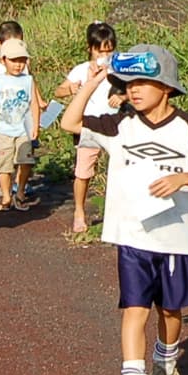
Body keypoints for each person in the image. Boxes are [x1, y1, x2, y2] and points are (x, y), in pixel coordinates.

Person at [62, 44, 188, 375]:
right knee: (134, 309)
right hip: (132, 237)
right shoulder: (120, 124)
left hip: (173, 238)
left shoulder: (187, 127)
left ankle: (165, 361)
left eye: (142, 83)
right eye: (128, 83)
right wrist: (93, 83)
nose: (133, 90)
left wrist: (183, 178)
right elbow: (70, 123)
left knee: (170, 310)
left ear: (165, 87)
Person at [54, 21, 120, 236]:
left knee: (119, 167)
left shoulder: (119, 68)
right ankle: (79, 212)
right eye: (100, 51)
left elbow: (133, 90)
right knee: (83, 171)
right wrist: (71, 88)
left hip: (115, 124)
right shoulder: (81, 70)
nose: (105, 56)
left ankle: (117, 211)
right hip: (87, 124)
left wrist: (123, 97)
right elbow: (59, 91)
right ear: (90, 49)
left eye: (109, 51)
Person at [0, 37, 41, 213]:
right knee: (4, 164)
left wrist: (36, 125)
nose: (18, 65)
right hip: (4, 130)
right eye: (14, 60)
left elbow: (34, 104)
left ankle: (21, 191)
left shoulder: (28, 80)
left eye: (22, 60)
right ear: (4, 60)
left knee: (25, 161)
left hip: (24, 129)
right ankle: (6, 195)